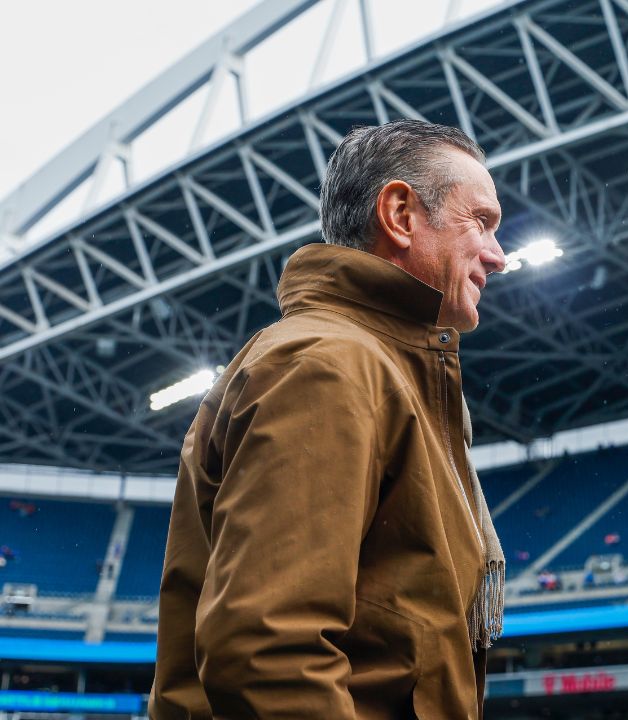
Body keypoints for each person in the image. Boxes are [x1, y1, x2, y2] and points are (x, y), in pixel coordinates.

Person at [150, 120, 508, 720]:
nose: (498, 257)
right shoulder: (327, 365)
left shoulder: (368, 365)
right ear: (400, 214)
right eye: (481, 221)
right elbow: (271, 652)